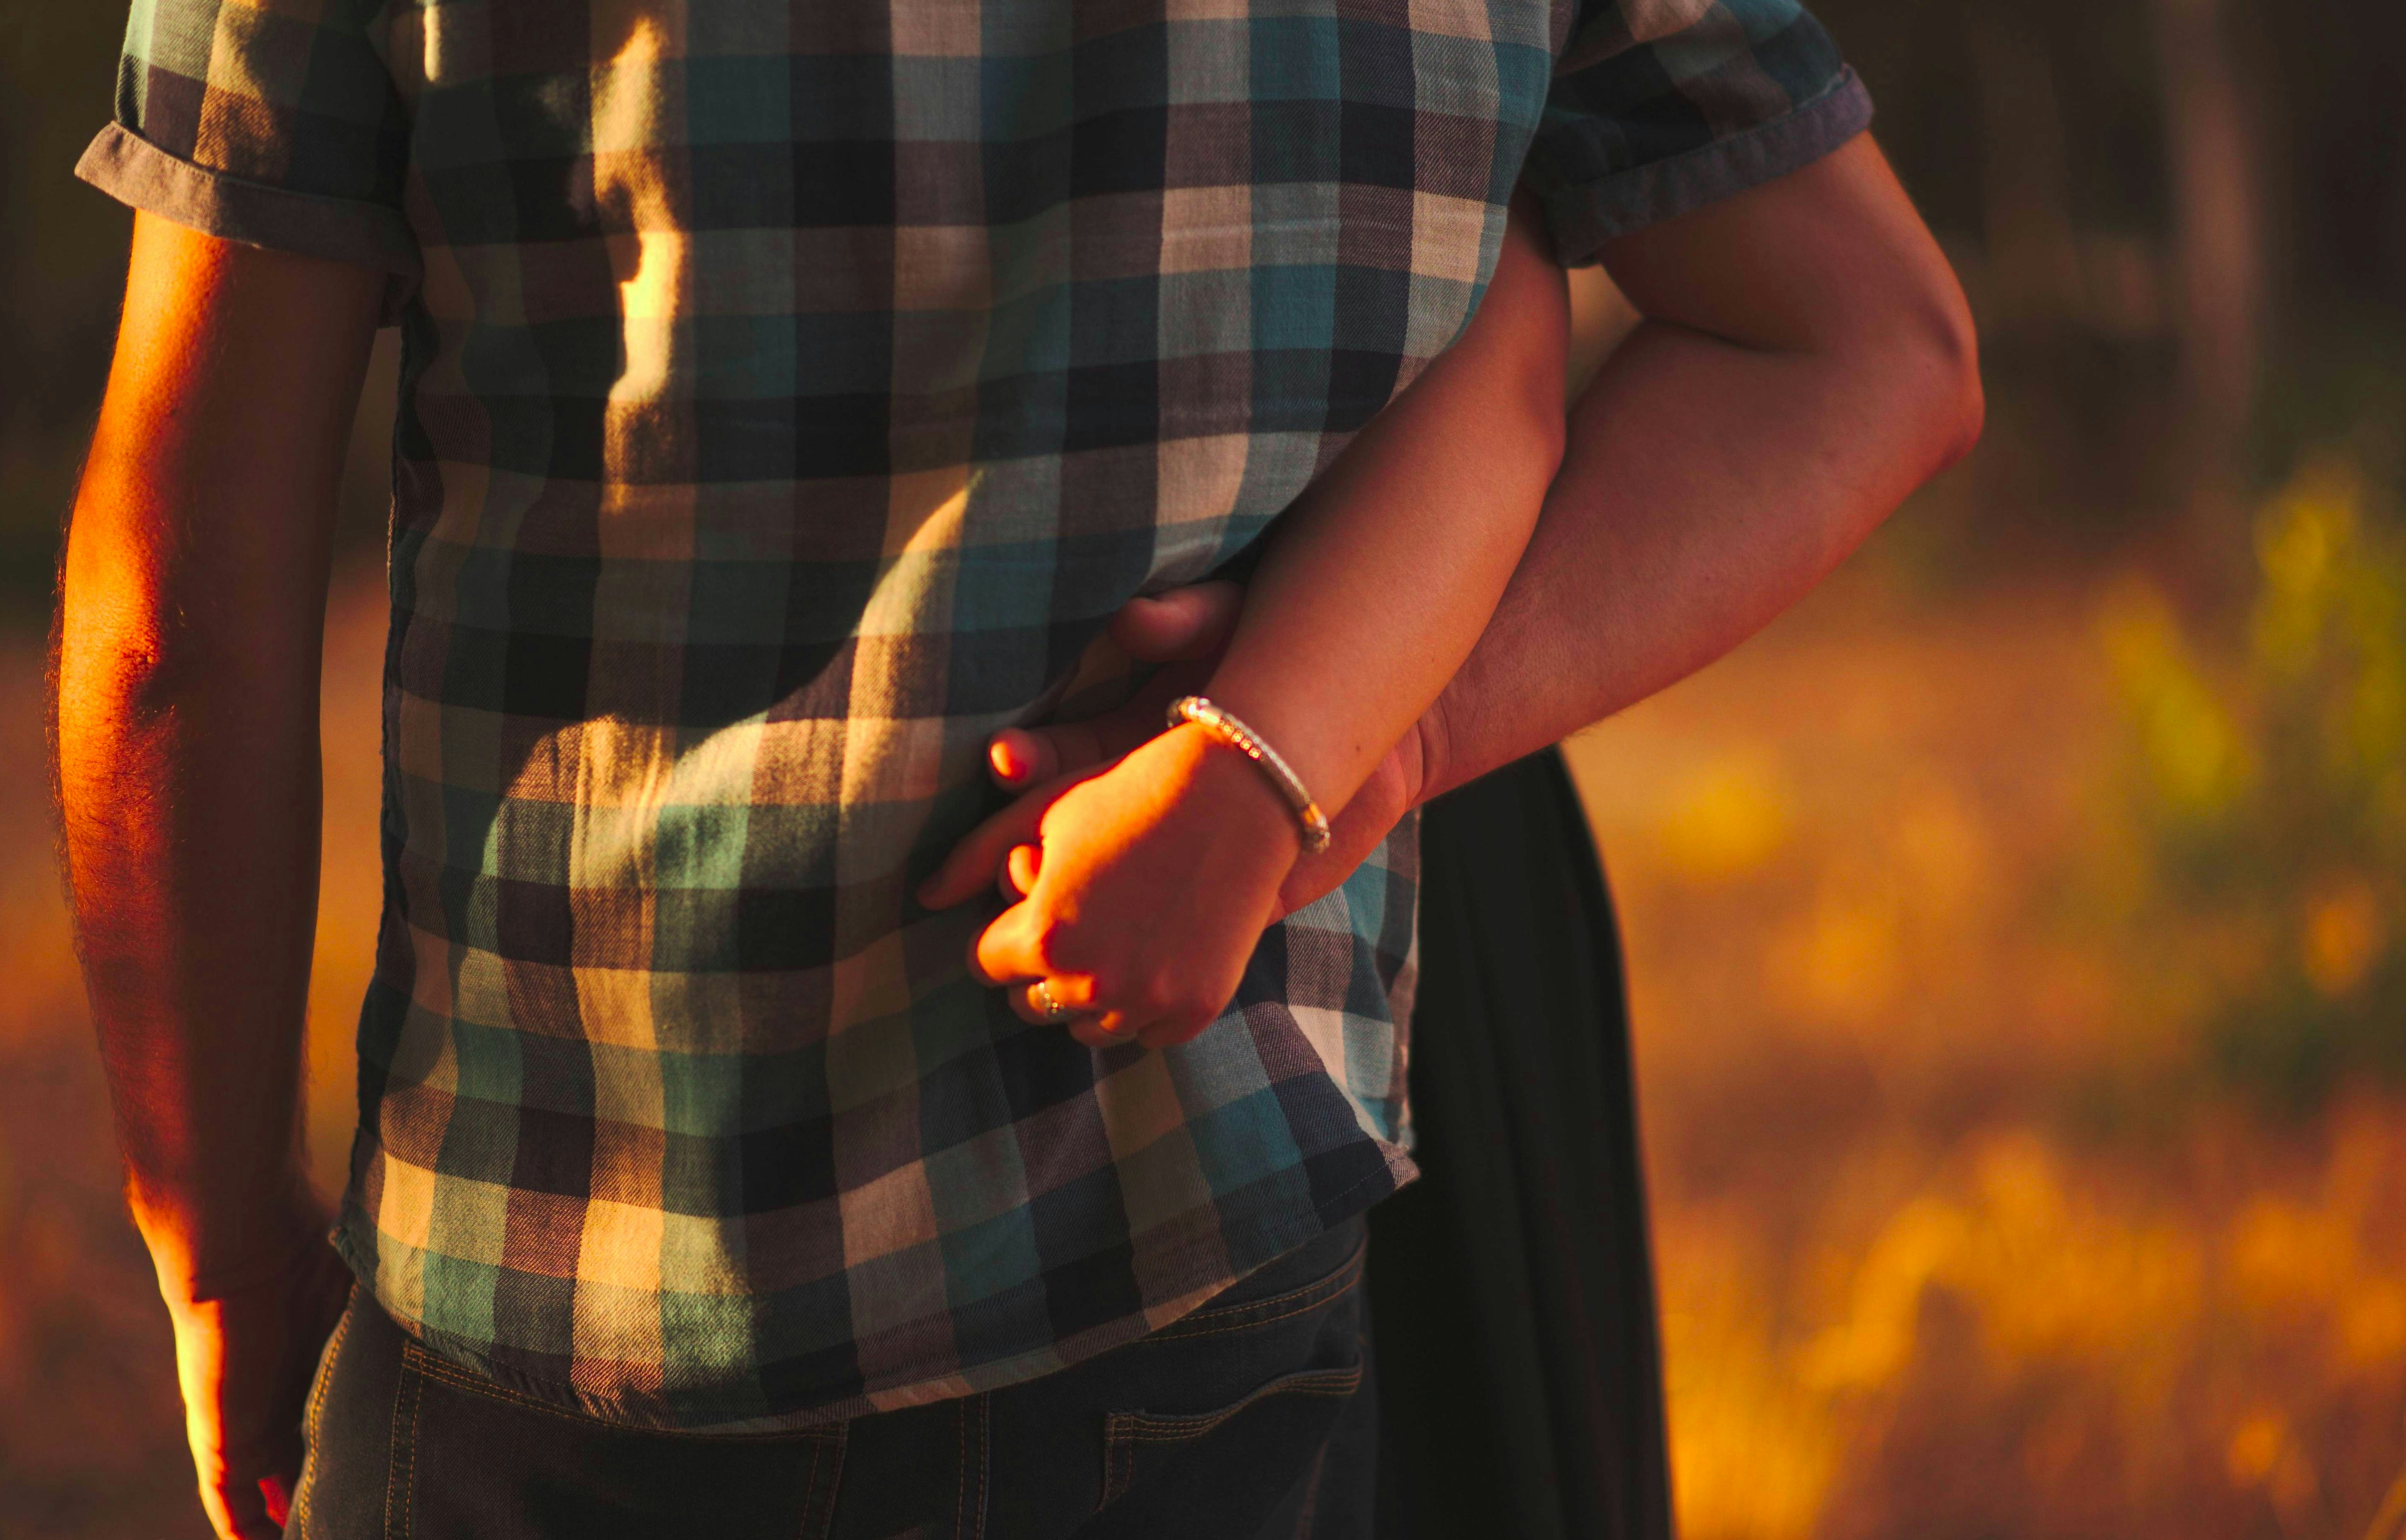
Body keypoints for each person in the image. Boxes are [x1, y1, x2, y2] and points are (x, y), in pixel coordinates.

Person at [53, 1, 1980, 1537]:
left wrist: (217, 1235)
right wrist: (1338, 755)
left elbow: (175, 616)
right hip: (1173, 1247)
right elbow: (1863, 346)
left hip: (561, 1286)